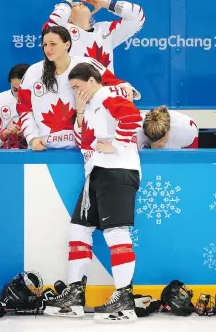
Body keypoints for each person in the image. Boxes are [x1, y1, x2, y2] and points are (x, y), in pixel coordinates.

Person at [44, 62, 142, 323]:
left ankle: (124, 299)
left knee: (116, 232)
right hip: (96, 174)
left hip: (117, 172)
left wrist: (117, 143)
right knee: (78, 230)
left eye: (77, 87)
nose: (76, 92)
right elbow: (83, 142)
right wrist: (78, 112)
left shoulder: (107, 96)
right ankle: (75, 295)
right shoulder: (89, 107)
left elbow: (132, 118)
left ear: (91, 81)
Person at [17, 25, 140, 151]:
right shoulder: (33, 72)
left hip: (82, 147)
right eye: (44, 45)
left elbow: (115, 83)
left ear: (67, 44)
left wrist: (126, 88)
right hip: (45, 147)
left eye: (53, 44)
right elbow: (24, 110)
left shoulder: (86, 64)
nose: (48, 49)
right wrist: (32, 138)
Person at [43, 0, 145, 73]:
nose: (80, 3)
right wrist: (65, 4)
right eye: (74, 5)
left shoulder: (105, 30)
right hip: (76, 96)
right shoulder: (64, 34)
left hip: (105, 96)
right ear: (68, 18)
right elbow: (50, 27)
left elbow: (137, 17)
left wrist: (107, 4)